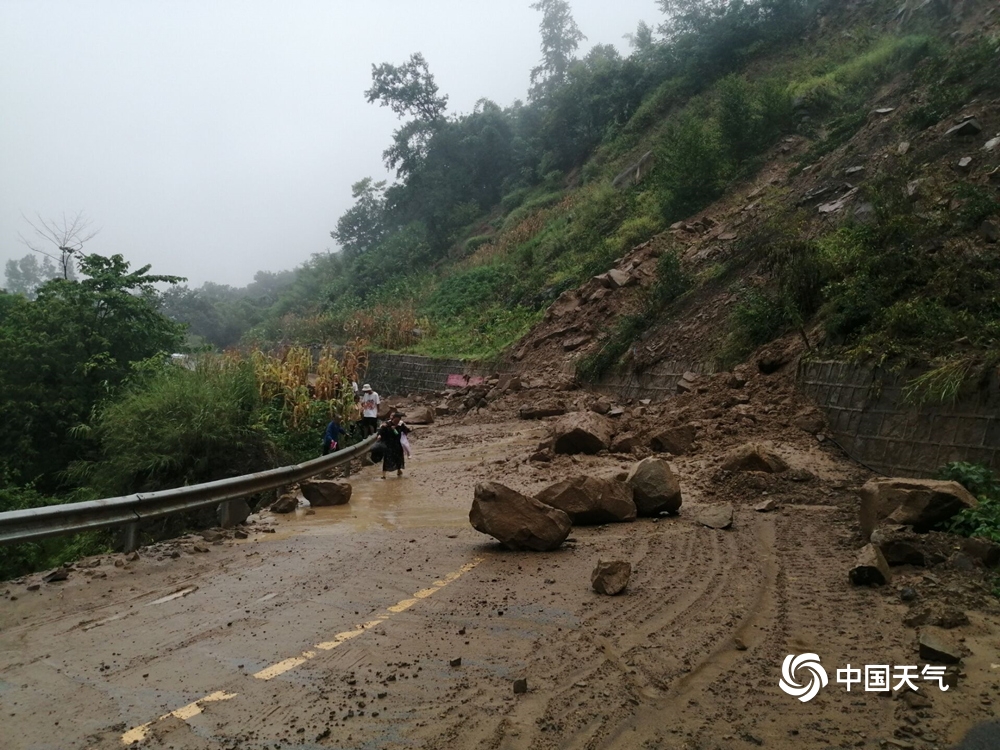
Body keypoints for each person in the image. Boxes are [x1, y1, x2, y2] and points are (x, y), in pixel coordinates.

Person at [376, 412, 410, 479]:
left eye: (398, 421)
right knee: (387, 459)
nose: (396, 422)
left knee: (399, 458)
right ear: (392, 419)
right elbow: (381, 431)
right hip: (389, 445)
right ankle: (384, 475)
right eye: (395, 421)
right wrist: (379, 435)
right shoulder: (387, 424)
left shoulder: (401, 425)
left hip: (397, 444)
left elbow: (406, 430)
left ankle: (399, 470)